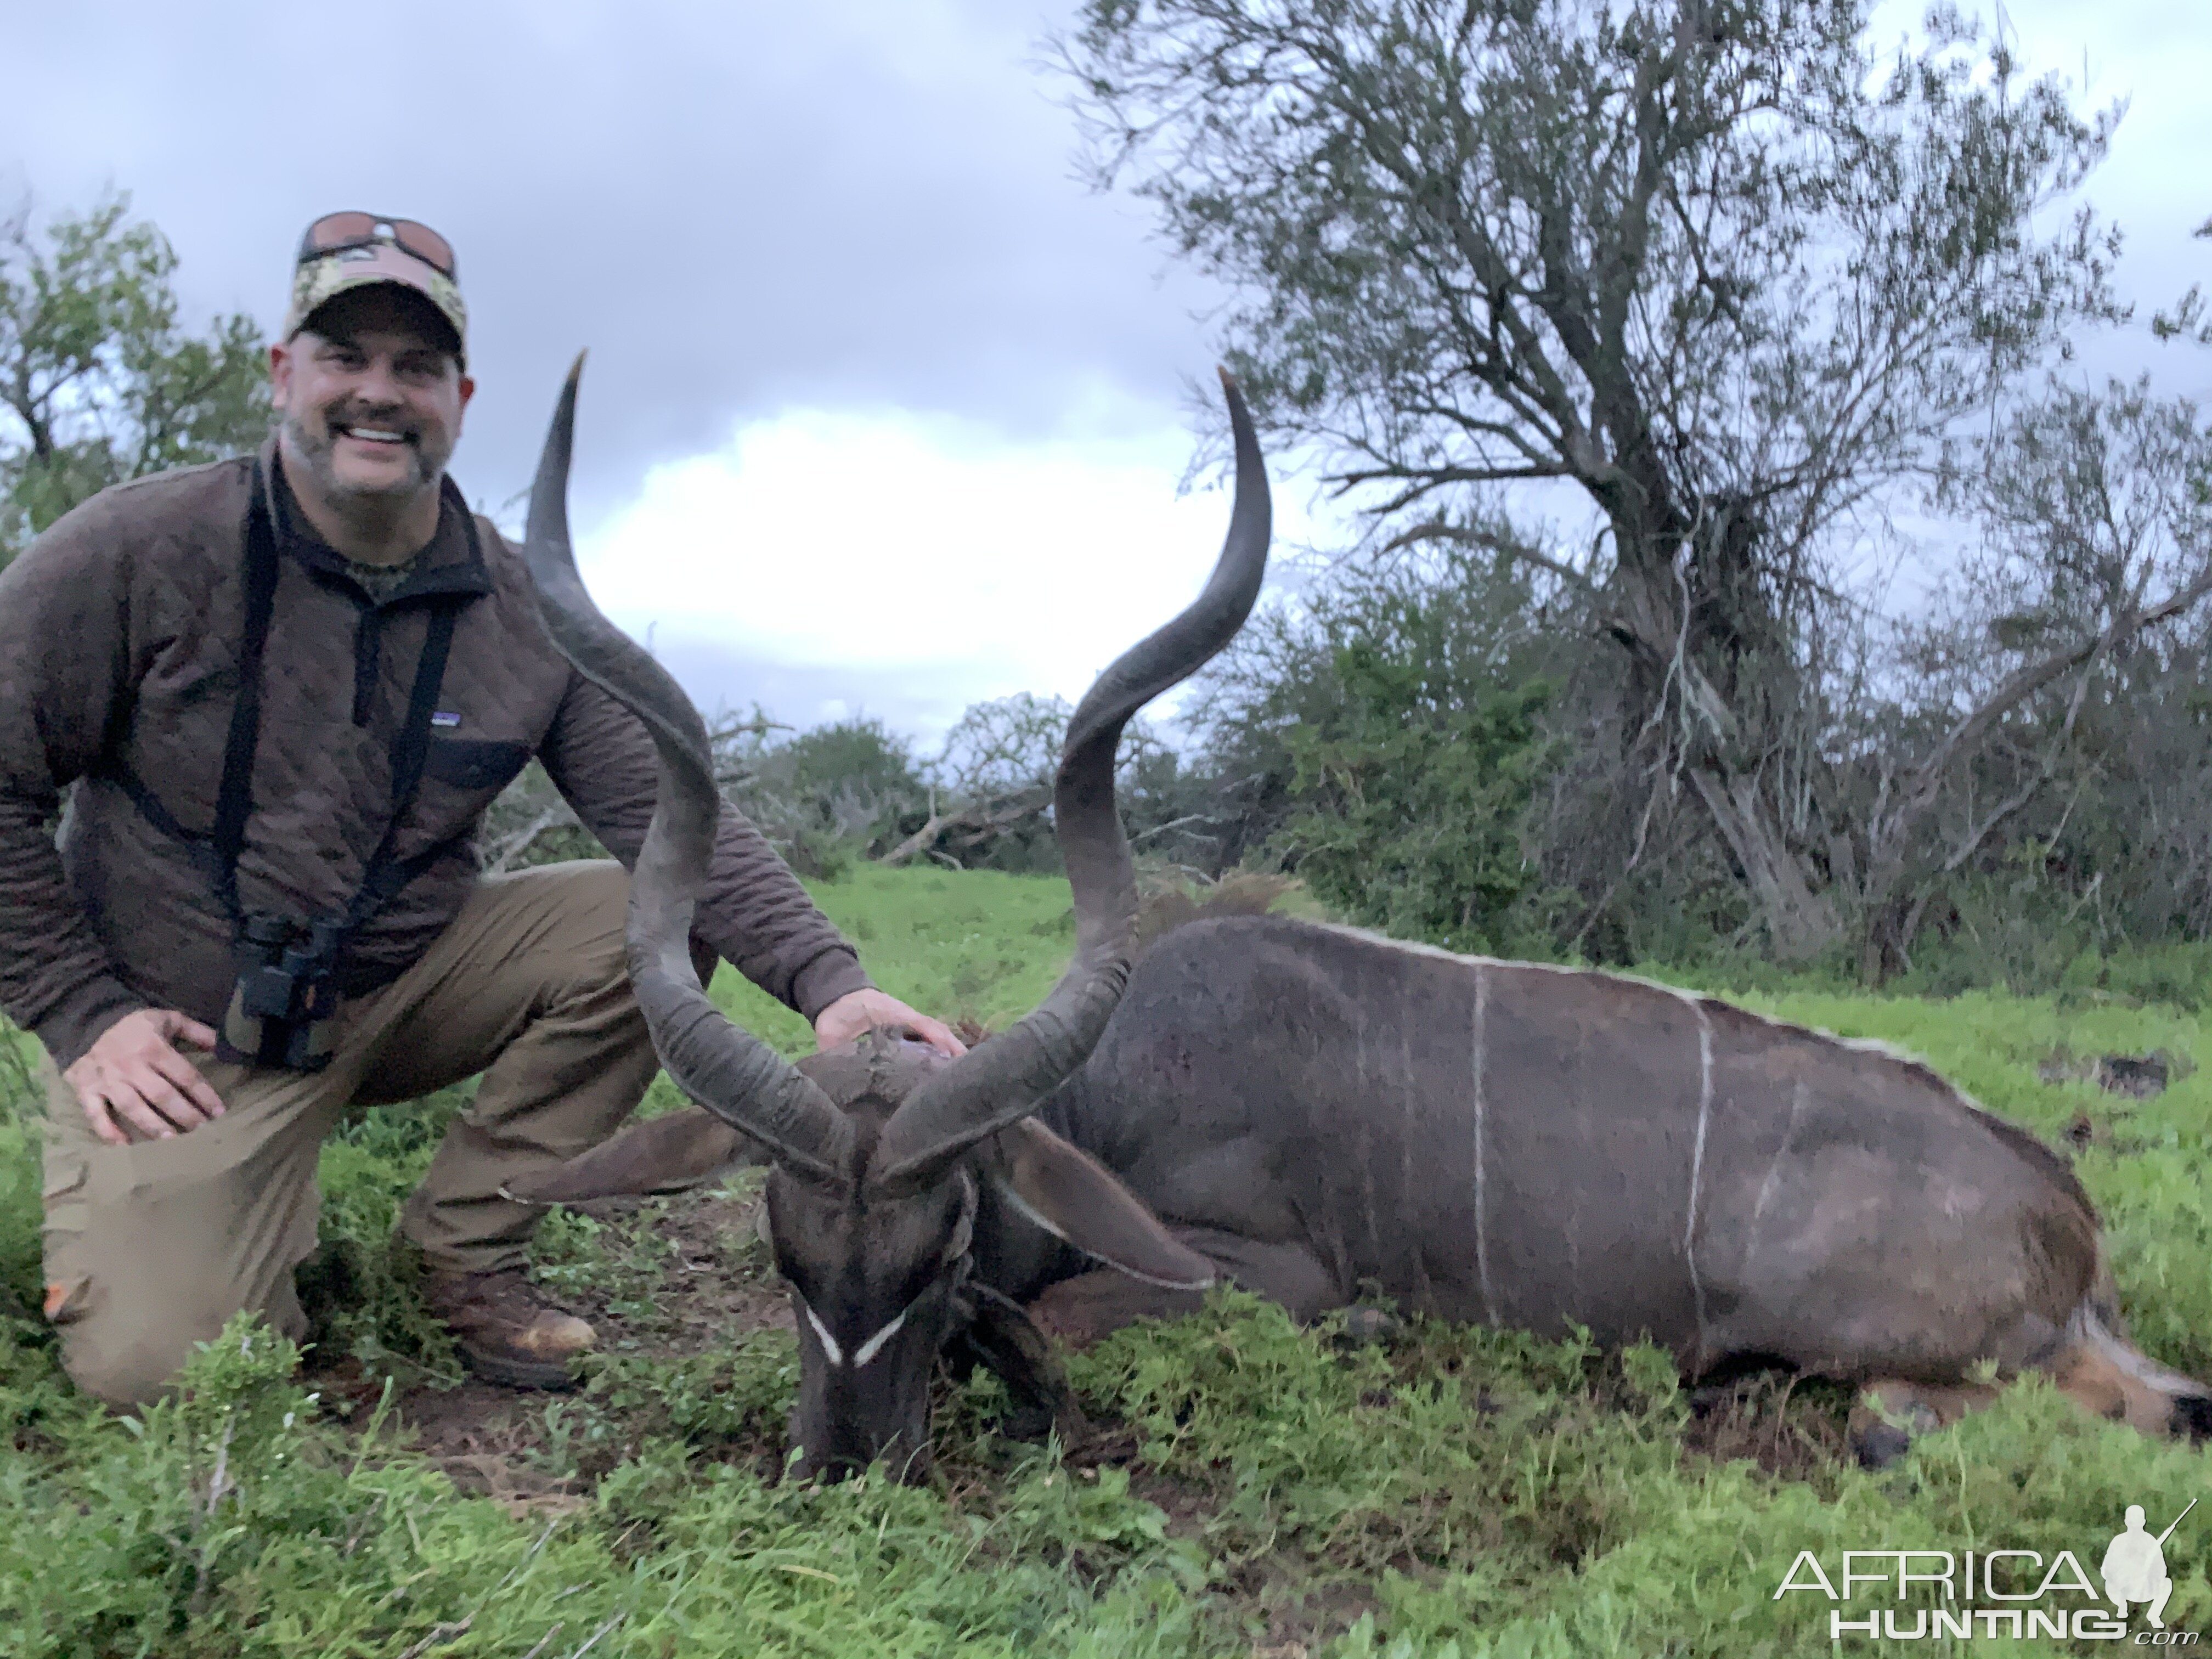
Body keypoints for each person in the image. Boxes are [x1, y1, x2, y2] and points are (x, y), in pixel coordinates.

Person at [0, 212, 962, 1403]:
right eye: (345, 358)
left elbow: (678, 823)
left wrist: (830, 980)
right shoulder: (140, 547)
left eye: (414, 368)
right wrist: (82, 1011)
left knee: (652, 914)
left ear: (460, 396)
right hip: (186, 1040)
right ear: (281, 375)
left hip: (397, 987)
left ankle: (461, 1248)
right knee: (165, 1379)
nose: (378, 394)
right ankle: (229, 1213)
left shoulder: (526, 604)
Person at [2101, 1505, 2174, 1628]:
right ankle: (2122, 1606)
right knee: (2110, 1582)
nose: (2135, 1524)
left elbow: (2162, 1570)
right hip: (2122, 1590)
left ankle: (2154, 1615)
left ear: (2144, 1522)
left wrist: (2149, 1572)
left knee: (2167, 1584)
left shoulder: (2151, 1542)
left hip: (2145, 1589)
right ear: (2126, 1522)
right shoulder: (2119, 1541)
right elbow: (2106, 1569)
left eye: (2138, 1521)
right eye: (2132, 1521)